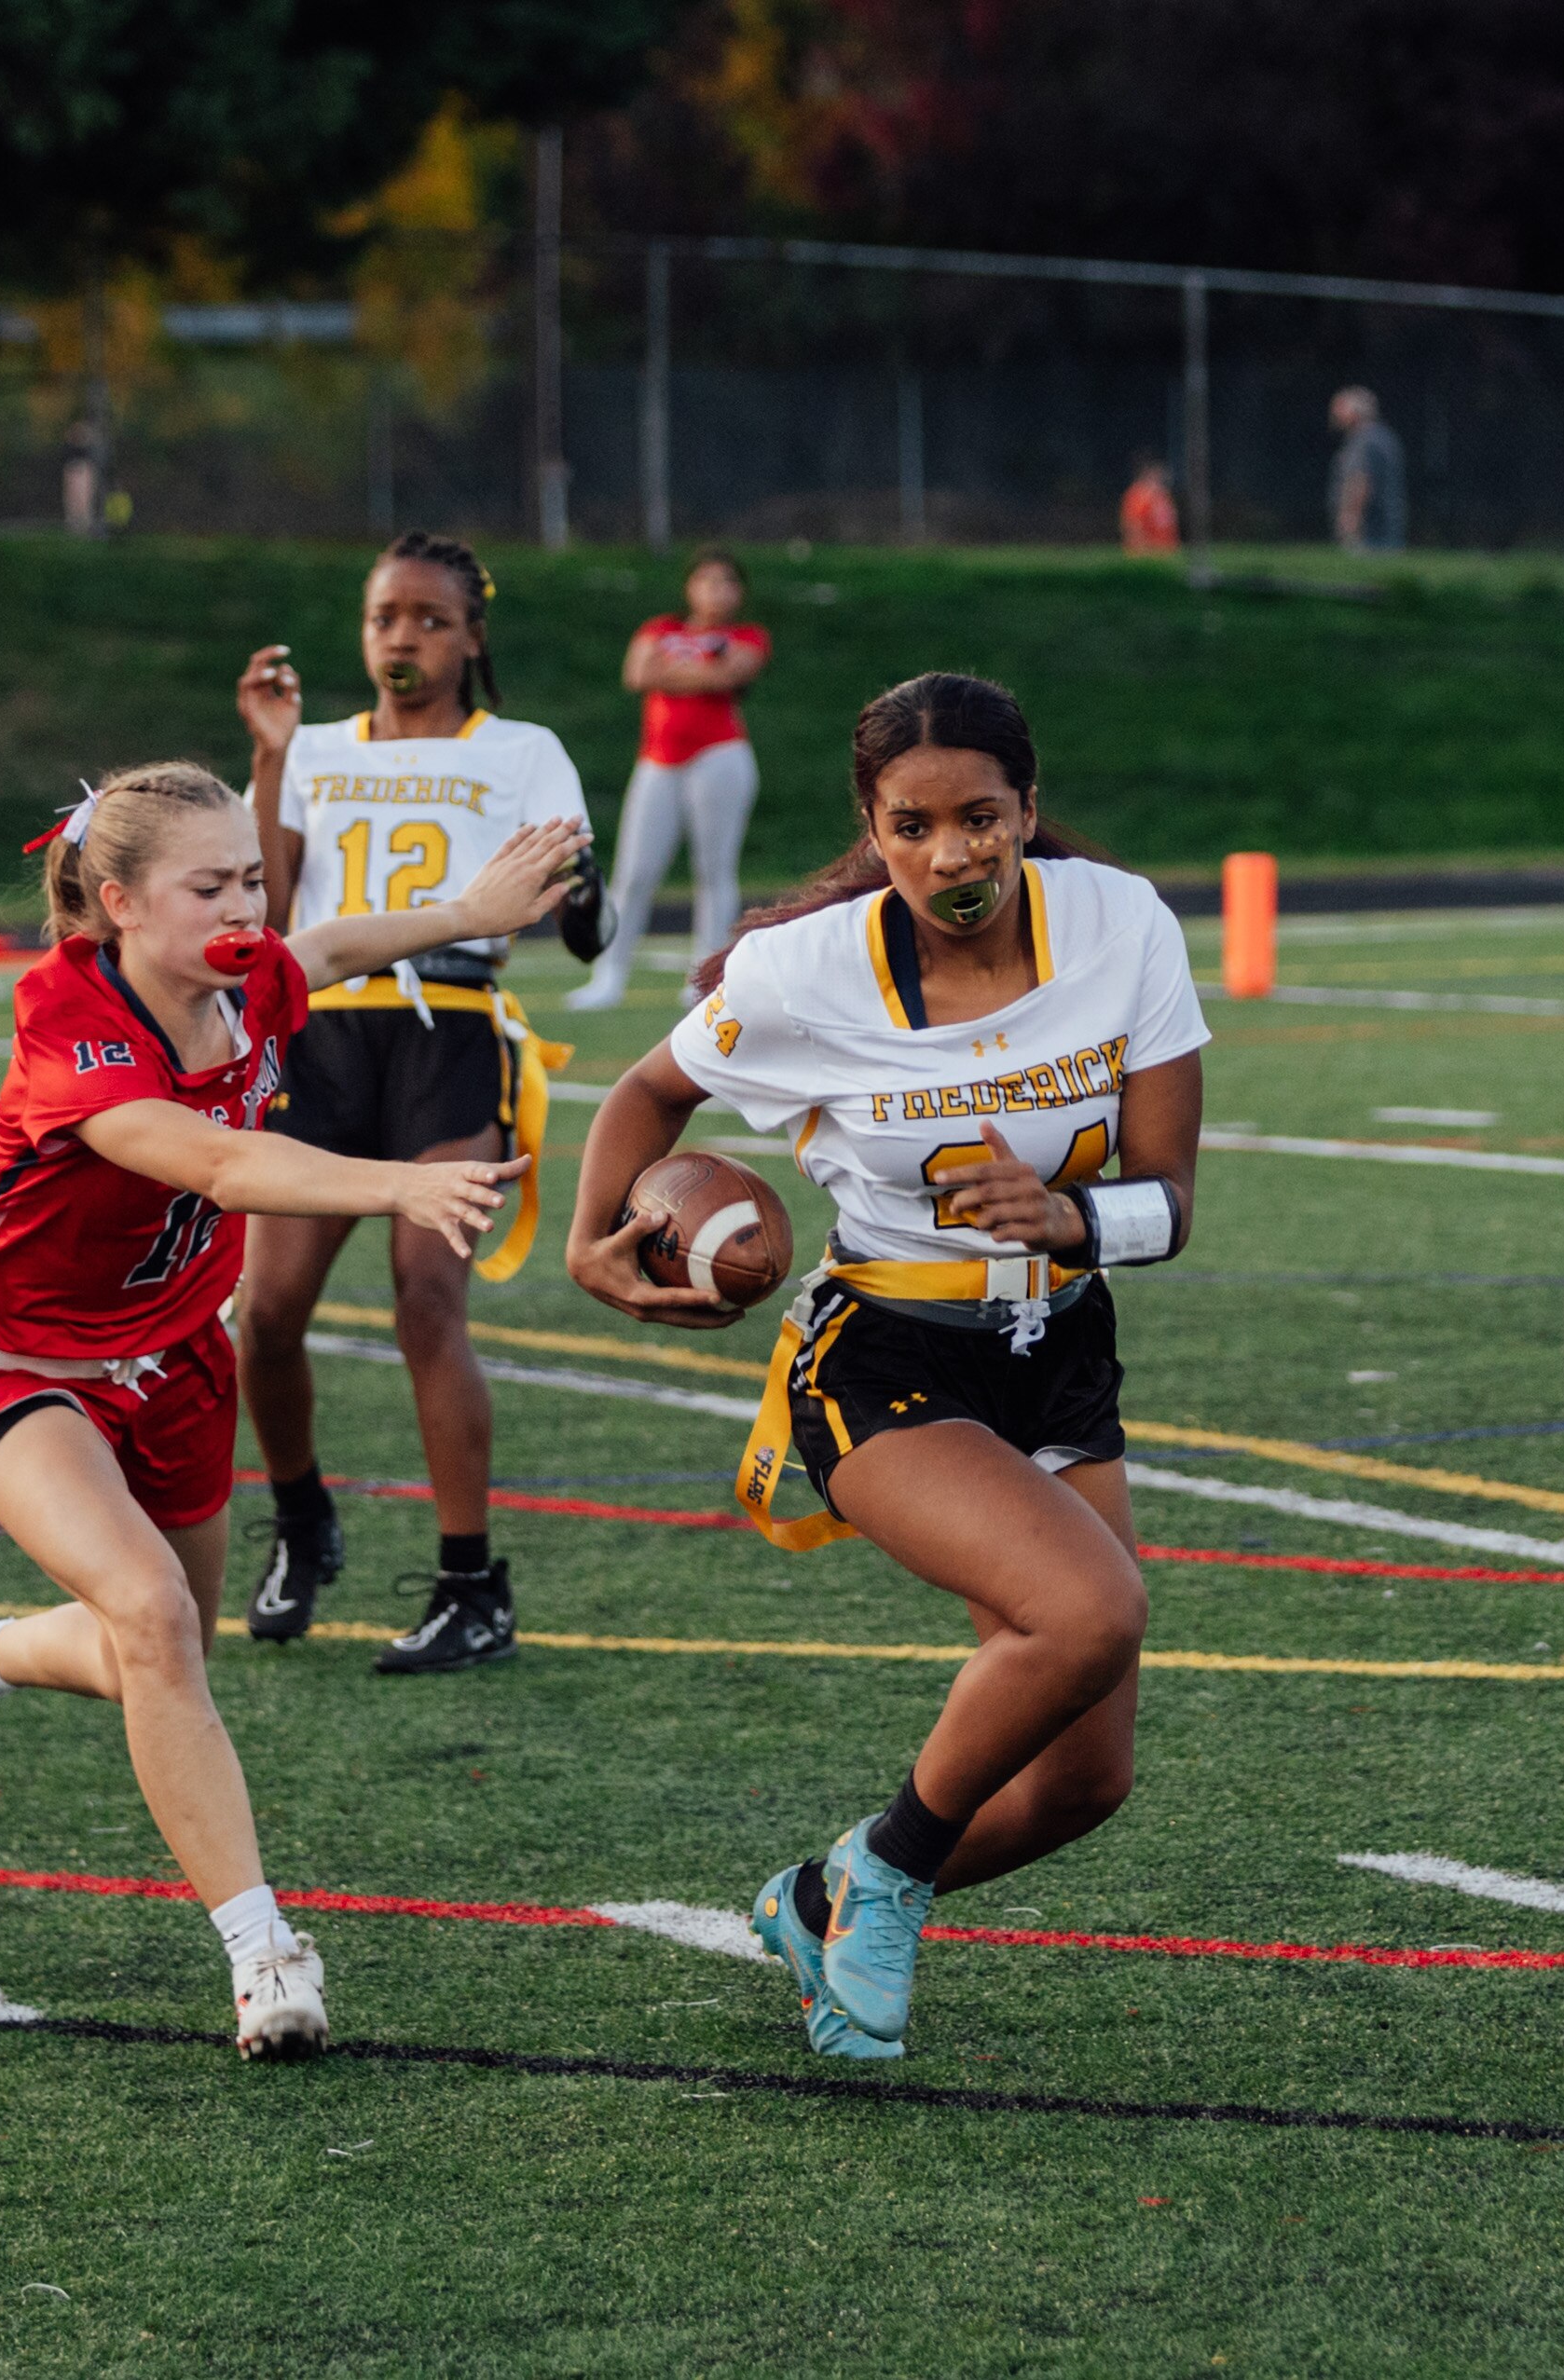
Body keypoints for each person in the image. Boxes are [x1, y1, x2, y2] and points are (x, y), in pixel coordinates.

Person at [0, 763, 583, 2058]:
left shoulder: (246, 976)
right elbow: (213, 1157)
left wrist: (464, 908)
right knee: (147, 1613)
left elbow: (328, 943)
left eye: (248, 874)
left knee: (166, 1637)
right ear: (117, 901)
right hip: (17, 1367)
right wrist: (393, 1185)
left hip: (176, 1357)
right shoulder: (65, 1019)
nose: (245, 904)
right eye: (209, 885)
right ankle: (263, 1952)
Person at [563, 671, 1205, 2061]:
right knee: (1090, 1610)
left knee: (1082, 1783)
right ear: (873, 822)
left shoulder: (1122, 924)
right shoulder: (801, 970)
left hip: (1060, 1346)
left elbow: (1168, 1203)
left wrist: (1070, 1215)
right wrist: (586, 1242)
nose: (951, 855)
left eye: (980, 818)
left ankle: (819, 1895)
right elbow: (646, 1090)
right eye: (912, 825)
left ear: (1026, 812)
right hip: (883, 1352)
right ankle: (890, 1874)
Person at [226, 530, 602, 1671]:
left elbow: (578, 904)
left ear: (471, 636)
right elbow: (268, 917)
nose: (404, 637)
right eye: (386, 615)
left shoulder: (524, 750)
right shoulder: (317, 747)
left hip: (449, 1033)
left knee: (426, 1296)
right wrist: (272, 758)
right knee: (267, 1313)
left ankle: (469, 1581)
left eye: (431, 619)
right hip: (323, 1034)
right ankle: (302, 1521)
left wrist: (585, 899)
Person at [567, 544, 770, 1013]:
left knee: (714, 871)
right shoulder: (661, 627)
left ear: (739, 592)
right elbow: (638, 672)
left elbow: (727, 677)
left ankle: (705, 980)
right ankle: (609, 976)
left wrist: (677, 672)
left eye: (727, 582)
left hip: (719, 757)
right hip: (658, 760)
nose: (716, 591)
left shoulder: (748, 635)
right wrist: (700, 670)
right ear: (689, 587)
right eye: (707, 580)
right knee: (634, 873)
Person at [1329, 387, 1406, 554]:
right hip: (1388, 529)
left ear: (1356, 412)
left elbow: (1359, 481)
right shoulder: (1384, 437)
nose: (1334, 413)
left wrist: (1350, 522)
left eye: (1341, 407)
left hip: (1371, 533)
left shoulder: (1364, 441)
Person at [1119, 458, 1180, 557]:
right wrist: (1140, 552)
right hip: (1148, 554)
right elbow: (1133, 526)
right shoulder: (1138, 495)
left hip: (1167, 552)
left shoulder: (1163, 495)